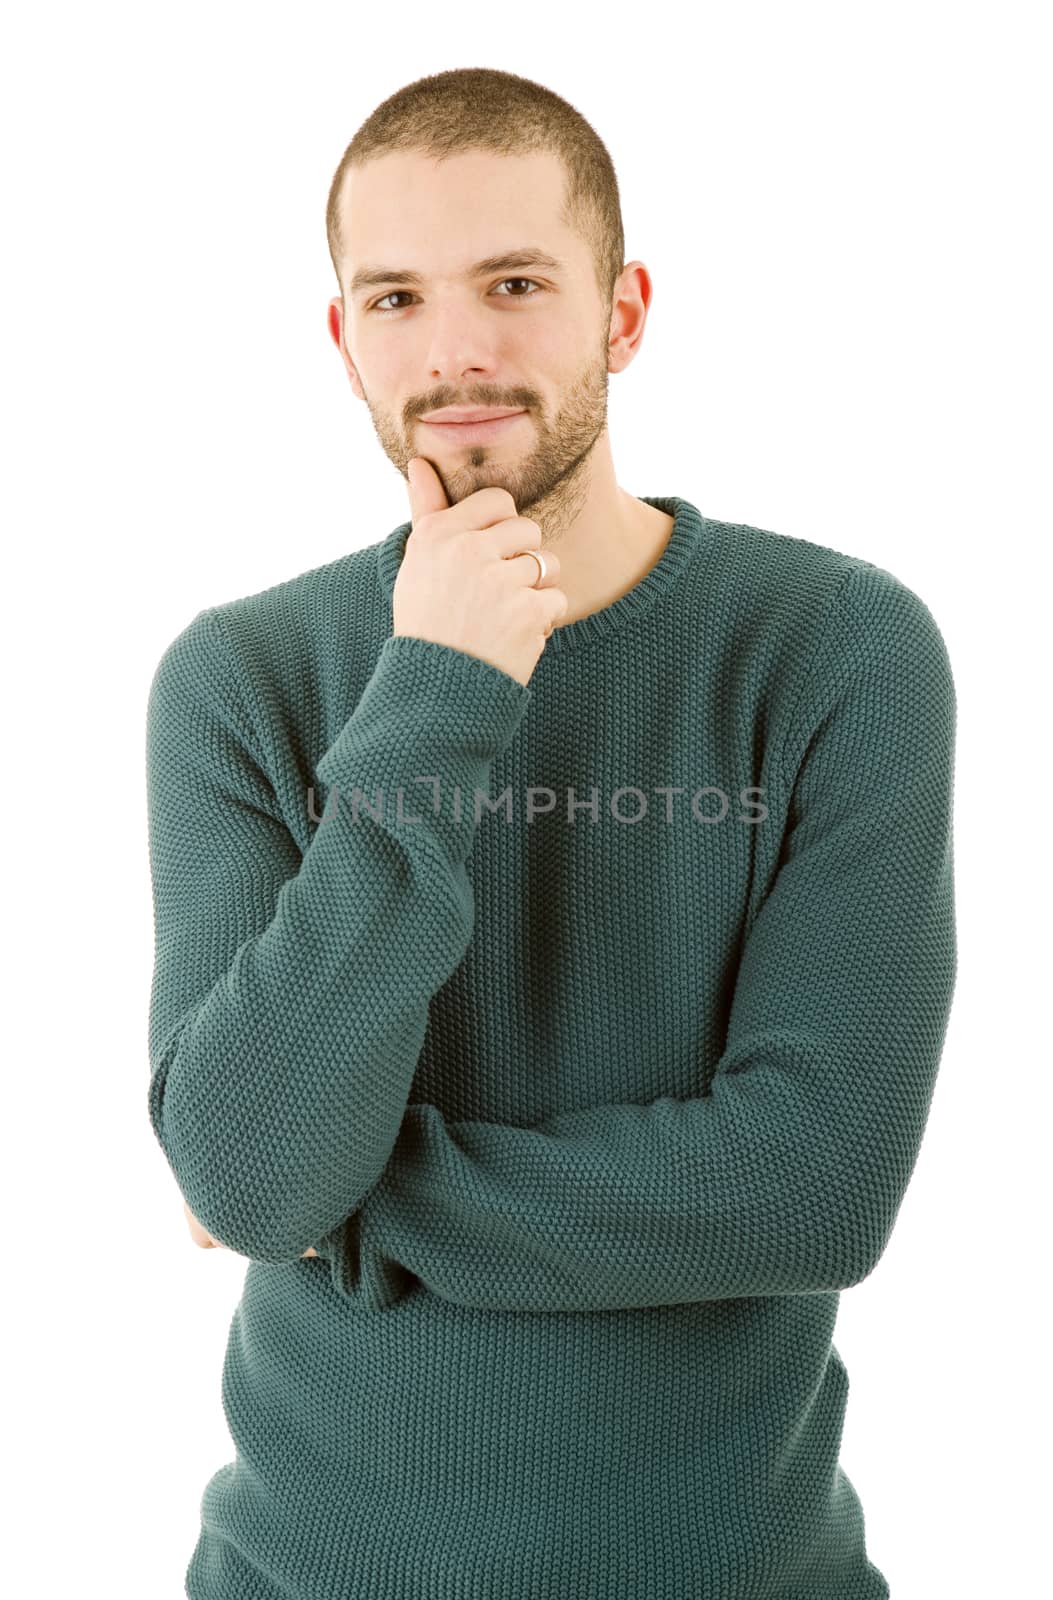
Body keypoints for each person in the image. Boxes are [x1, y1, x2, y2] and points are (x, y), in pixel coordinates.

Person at [145, 66, 957, 1600]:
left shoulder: (838, 649)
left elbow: (817, 1187)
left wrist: (355, 1201)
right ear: (344, 340)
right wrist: (438, 692)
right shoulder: (243, 681)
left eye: (514, 283)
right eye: (394, 298)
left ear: (623, 314)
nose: (453, 351)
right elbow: (255, 1187)